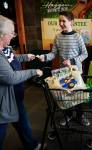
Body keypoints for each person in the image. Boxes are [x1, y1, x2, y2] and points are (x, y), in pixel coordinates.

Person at [37, 11, 90, 127]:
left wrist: (71, 61)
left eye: (63, 21)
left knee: (77, 95)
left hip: (75, 72)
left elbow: (85, 54)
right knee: (66, 95)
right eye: (59, 21)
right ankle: (69, 114)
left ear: (71, 22)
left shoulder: (77, 36)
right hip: (63, 72)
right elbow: (53, 54)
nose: (61, 23)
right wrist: (44, 57)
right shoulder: (58, 37)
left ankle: (81, 115)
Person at [0, 15, 43, 150]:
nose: (13, 36)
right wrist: (34, 71)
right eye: (11, 33)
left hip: (14, 97)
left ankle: (31, 145)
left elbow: (12, 59)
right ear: (1, 34)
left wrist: (25, 57)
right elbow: (11, 77)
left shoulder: (5, 48)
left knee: (22, 121)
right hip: (3, 102)